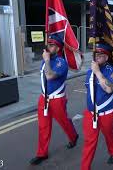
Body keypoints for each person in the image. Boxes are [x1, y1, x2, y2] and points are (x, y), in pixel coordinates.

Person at [30, 34, 79, 165]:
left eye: (51, 45)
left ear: (58, 48)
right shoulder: (45, 59)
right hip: (43, 98)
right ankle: (42, 153)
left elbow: (50, 76)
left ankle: (73, 136)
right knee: (43, 127)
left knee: (64, 122)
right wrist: (46, 60)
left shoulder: (61, 62)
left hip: (57, 99)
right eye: (48, 44)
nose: (48, 47)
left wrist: (46, 61)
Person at [81, 43, 113, 170]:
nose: (97, 57)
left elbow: (109, 89)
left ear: (107, 57)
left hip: (107, 114)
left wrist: (97, 72)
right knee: (89, 142)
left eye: (100, 55)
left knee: (109, 135)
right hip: (91, 113)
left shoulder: (112, 71)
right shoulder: (89, 72)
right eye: (95, 54)